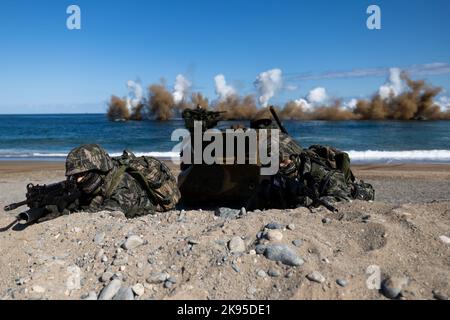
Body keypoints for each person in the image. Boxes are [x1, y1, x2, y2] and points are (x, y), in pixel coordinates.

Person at [64, 144, 180, 218]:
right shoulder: (104, 178)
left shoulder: (123, 186)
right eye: (75, 176)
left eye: (82, 175)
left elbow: (105, 214)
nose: (78, 180)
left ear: (98, 169)